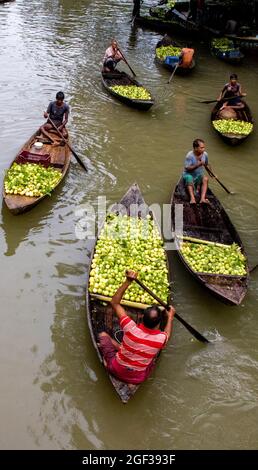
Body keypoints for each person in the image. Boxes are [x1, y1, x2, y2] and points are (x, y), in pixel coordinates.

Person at [98, 270, 175, 385]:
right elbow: (167, 334)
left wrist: (128, 281)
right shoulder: (161, 339)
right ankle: (128, 371)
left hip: (115, 369)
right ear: (159, 323)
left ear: (142, 317)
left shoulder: (130, 328)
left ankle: (109, 360)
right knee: (152, 361)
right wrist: (170, 318)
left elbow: (114, 303)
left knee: (103, 335)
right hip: (138, 379)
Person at [183, 139, 209, 204]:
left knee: (205, 179)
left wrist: (211, 174)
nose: (203, 149)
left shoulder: (205, 154)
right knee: (189, 178)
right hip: (188, 175)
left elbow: (207, 165)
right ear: (195, 148)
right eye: (201, 148)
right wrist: (198, 165)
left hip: (198, 175)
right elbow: (187, 168)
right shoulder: (189, 156)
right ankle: (192, 198)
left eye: (204, 147)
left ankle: (202, 199)